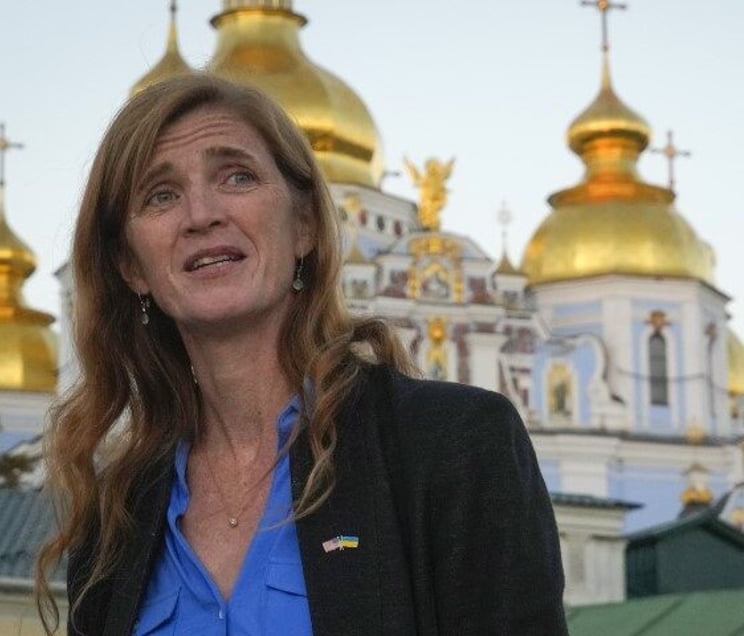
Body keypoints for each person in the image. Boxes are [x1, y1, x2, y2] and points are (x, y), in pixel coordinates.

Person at [36, 74, 567, 635]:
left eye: (237, 177)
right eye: (160, 195)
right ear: (132, 267)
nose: (201, 213)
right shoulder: (116, 519)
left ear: (306, 226)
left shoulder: (449, 448)